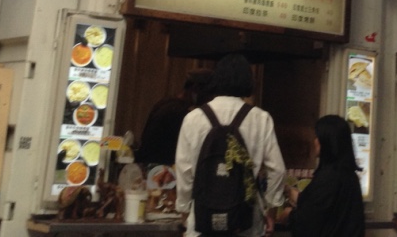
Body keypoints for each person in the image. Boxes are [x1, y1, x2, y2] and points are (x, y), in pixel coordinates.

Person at [176, 54, 286, 237]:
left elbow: (184, 171)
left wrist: (184, 211)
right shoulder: (260, 119)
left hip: (202, 222)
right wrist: (271, 209)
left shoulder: (193, 118)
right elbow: (277, 170)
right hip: (247, 223)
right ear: (248, 81)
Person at [280, 115, 365, 237]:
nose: (314, 141)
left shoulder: (328, 178)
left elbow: (310, 221)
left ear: (327, 141)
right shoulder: (349, 176)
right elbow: (325, 206)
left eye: (317, 137)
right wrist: (290, 192)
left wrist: (290, 215)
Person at [135, 68, 214, 166]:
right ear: (195, 88)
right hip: (161, 168)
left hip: (151, 165)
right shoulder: (180, 112)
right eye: (208, 93)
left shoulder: (167, 102)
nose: (210, 98)